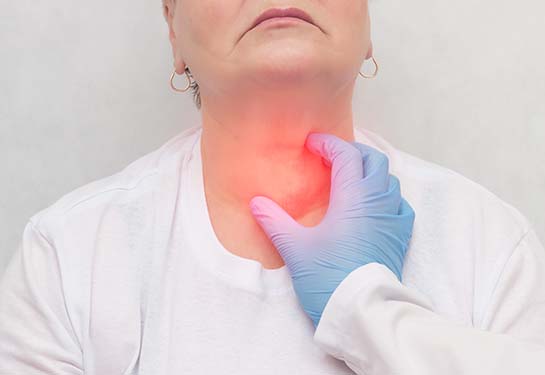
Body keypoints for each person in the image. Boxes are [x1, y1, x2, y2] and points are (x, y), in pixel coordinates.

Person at [1, 0, 544, 374]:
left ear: (368, 22)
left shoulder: (488, 247)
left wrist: (367, 311)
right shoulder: (70, 261)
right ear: (173, 28)